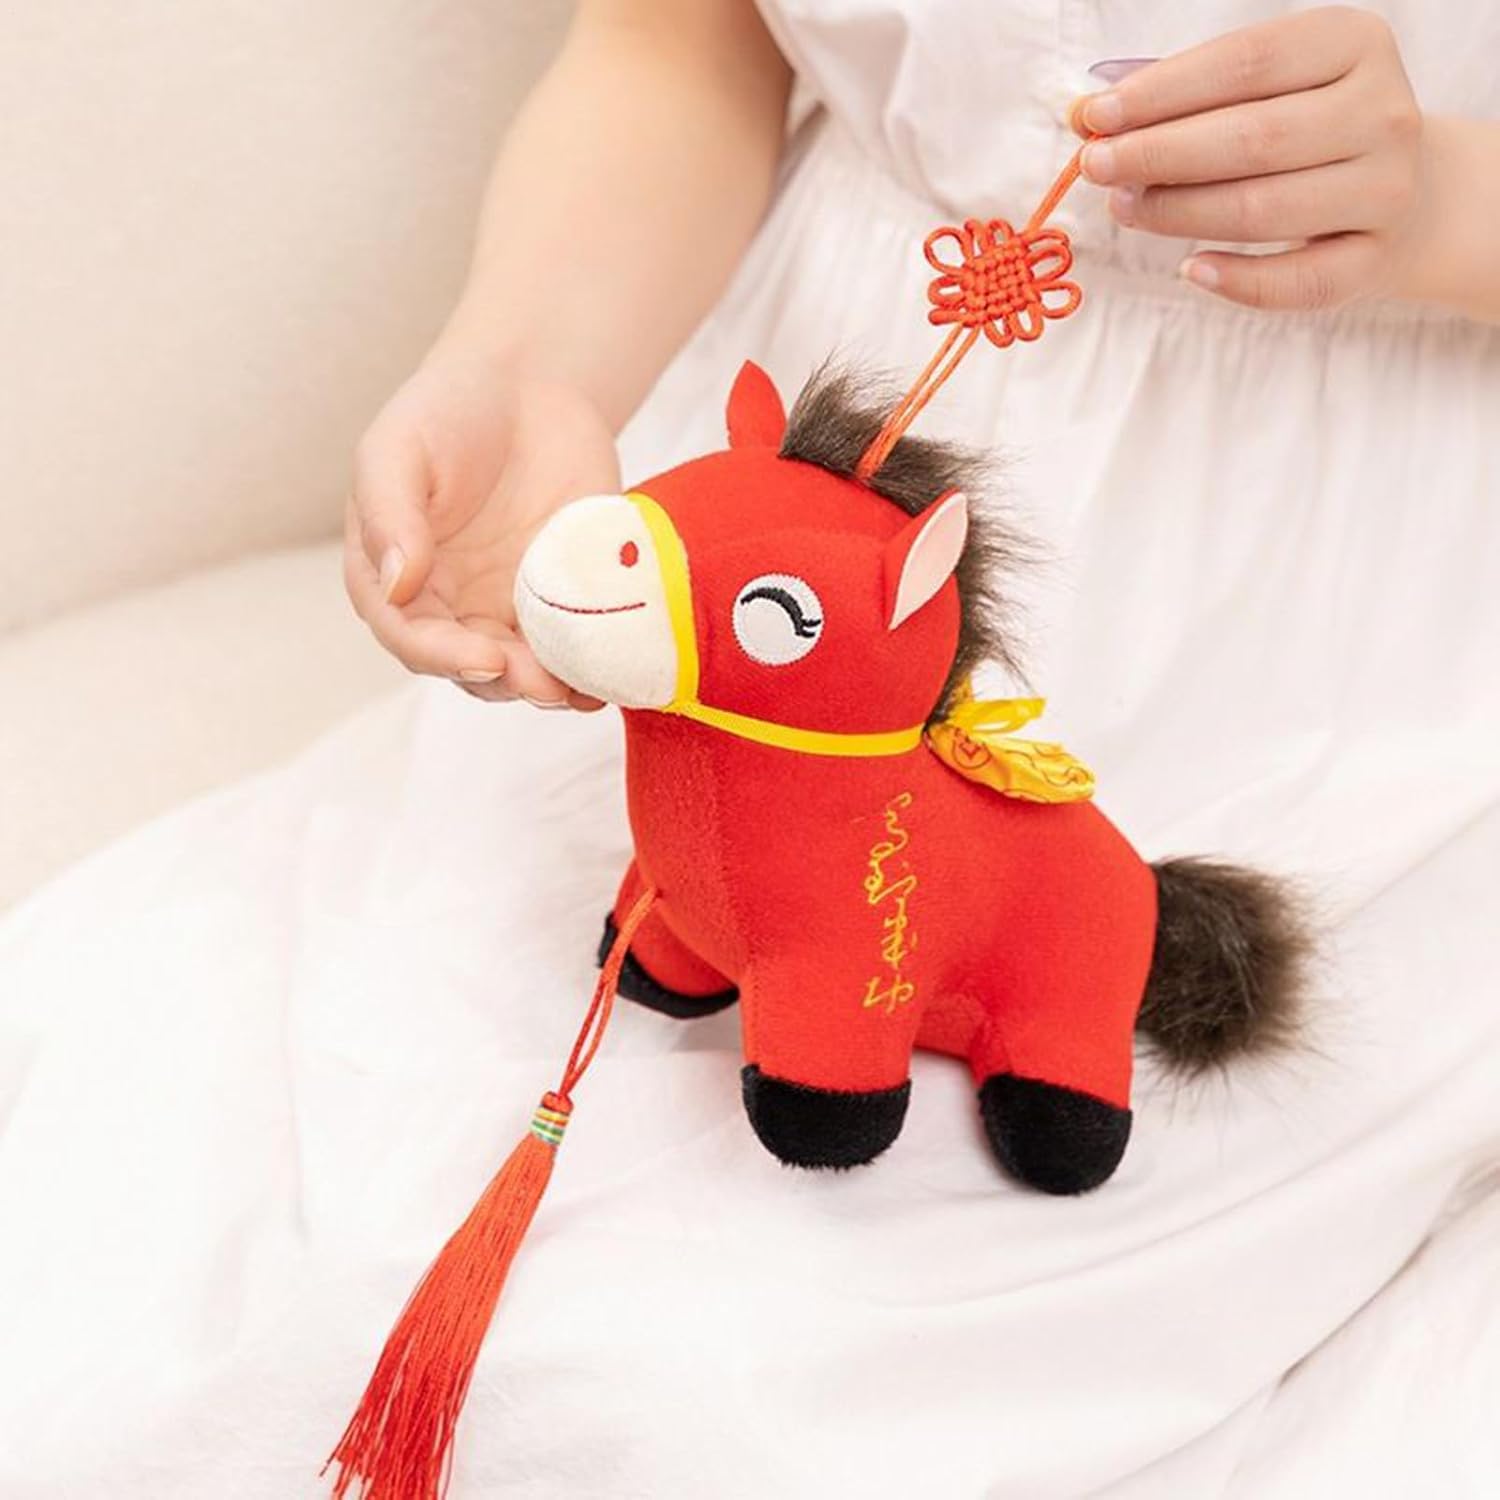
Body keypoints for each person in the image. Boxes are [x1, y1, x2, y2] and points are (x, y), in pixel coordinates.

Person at [3, 4, 1497, 1496]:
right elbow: (678, 46)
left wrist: (1438, 202)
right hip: (770, 493)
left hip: (1319, 622)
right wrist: (534, 371)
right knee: (206, 1218)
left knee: (702, 1397)